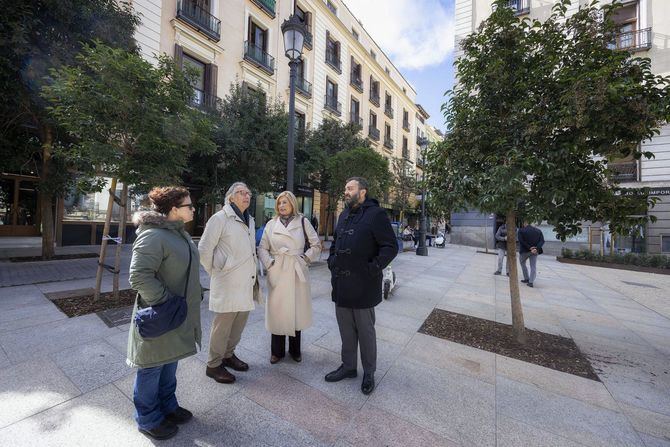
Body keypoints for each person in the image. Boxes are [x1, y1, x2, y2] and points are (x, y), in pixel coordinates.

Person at [127, 186, 201, 440]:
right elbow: (138, 276)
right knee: (151, 367)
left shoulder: (177, 233)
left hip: (175, 314)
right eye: (189, 206)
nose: (193, 209)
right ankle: (148, 418)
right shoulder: (154, 236)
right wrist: (165, 302)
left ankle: (168, 406)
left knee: (170, 361)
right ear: (173, 210)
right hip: (162, 315)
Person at [325, 177, 398, 395]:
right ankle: (348, 367)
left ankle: (369, 372)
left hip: (364, 285)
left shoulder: (376, 215)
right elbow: (336, 243)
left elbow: (390, 246)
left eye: (350, 188)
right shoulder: (344, 214)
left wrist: (373, 268)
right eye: (345, 188)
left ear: (362, 191)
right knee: (346, 330)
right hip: (341, 284)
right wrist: (332, 261)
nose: (346, 192)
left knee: (366, 332)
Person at [198, 182, 259, 384]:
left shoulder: (249, 219)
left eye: (248, 193)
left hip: (246, 282)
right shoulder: (219, 218)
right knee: (222, 326)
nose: (246, 196)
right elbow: (204, 249)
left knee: (238, 324)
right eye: (241, 192)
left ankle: (228, 355)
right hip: (228, 282)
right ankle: (213, 365)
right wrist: (218, 270)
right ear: (230, 197)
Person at [258, 191, 321, 364]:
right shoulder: (271, 224)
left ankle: (295, 350)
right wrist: (270, 264)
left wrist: (305, 259)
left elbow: (316, 245)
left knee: (296, 310)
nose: (281, 206)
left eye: (285, 202)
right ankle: (276, 351)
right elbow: (262, 247)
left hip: (295, 269)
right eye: (279, 203)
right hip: (277, 269)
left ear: (293, 203)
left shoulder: (303, 221)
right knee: (277, 310)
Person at [517, 221, 545, 287]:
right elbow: (542, 241)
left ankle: (526, 278)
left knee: (522, 264)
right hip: (535, 251)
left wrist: (529, 248)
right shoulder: (539, 231)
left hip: (524, 251)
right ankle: (531, 282)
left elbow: (521, 241)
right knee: (533, 266)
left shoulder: (521, 230)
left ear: (525, 223)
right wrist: (536, 248)